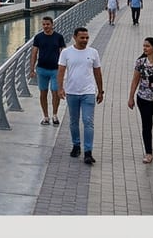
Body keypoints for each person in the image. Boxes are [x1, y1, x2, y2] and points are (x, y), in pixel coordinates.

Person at [57, 27, 104, 165]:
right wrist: (60, 88)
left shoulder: (93, 52)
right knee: (73, 121)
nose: (85, 40)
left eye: (86, 38)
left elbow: (97, 72)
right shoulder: (66, 52)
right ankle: (76, 145)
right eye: (82, 38)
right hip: (72, 92)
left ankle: (88, 151)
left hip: (88, 92)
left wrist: (100, 91)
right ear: (75, 37)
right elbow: (61, 71)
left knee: (88, 121)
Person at [29, 16, 67, 125]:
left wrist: (63, 69)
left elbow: (63, 53)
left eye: (48, 24)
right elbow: (34, 53)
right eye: (44, 24)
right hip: (42, 69)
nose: (46, 26)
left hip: (55, 69)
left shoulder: (58, 37)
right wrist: (32, 69)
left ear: (52, 25)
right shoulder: (38, 37)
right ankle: (45, 116)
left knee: (55, 92)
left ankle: (55, 115)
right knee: (43, 93)